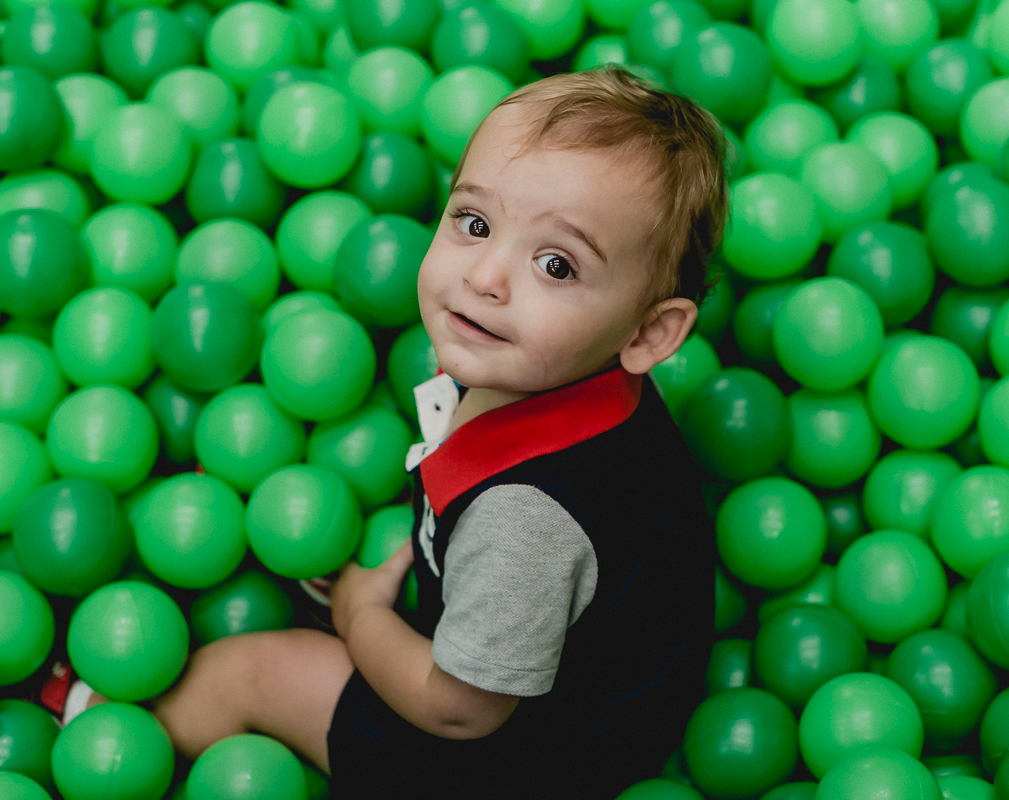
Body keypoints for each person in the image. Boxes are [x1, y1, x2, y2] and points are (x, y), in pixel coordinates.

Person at [77, 63, 729, 798]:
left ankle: (99, 732)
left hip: (521, 764)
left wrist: (360, 617)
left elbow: (459, 709)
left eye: (556, 265)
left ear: (648, 332)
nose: (485, 276)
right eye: (474, 223)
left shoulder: (526, 521)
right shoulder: (579, 371)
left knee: (253, 671)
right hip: (602, 679)